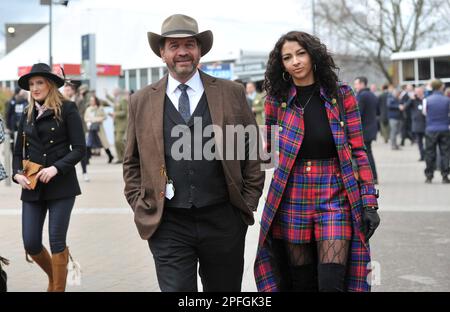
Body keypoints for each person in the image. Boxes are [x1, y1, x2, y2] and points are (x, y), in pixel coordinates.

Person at [123, 14, 265, 292]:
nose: (183, 52)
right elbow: (132, 162)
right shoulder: (141, 100)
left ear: (199, 50)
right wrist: (140, 203)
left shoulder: (231, 92)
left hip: (224, 220)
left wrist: (247, 203)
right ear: (162, 53)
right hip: (168, 224)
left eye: (189, 44)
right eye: (174, 46)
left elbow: (252, 152)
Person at [254, 31, 380, 292]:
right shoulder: (276, 102)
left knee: (331, 283)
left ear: (313, 56)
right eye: (287, 57)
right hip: (292, 195)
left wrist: (369, 202)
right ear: (282, 65)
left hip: (334, 194)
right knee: (302, 283)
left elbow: (359, 151)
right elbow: (269, 155)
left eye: (301, 53)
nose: (295, 61)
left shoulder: (341, 96)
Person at [12, 63, 86, 292]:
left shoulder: (68, 108)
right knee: (31, 242)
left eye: (39, 83)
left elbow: (80, 148)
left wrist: (56, 168)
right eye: (31, 84)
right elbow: (17, 152)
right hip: (32, 185)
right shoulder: (27, 113)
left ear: (50, 84)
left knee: (56, 241)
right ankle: (56, 277)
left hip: (61, 186)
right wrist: (16, 175)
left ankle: (57, 288)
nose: (34, 88)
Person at [423, 79, 450, 184]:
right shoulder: (447, 100)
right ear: (440, 87)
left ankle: (429, 176)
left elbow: (425, 113)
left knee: (430, 153)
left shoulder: (427, 100)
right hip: (444, 128)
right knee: (445, 153)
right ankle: (445, 176)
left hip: (431, 129)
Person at [354, 76, 379, 184]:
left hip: (364, 129)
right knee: (369, 152)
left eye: (356, 84)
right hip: (372, 128)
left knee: (366, 154)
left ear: (362, 84)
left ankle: (371, 176)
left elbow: (358, 113)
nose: (355, 86)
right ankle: (373, 176)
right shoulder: (372, 95)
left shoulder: (362, 96)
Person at [84, 95, 114, 164]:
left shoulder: (100, 108)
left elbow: (104, 117)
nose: (91, 102)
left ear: (95, 101)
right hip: (91, 128)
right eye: (90, 100)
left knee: (104, 143)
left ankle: (110, 156)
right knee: (89, 143)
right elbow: (85, 118)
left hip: (99, 129)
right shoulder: (88, 109)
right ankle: (87, 159)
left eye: (93, 100)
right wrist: (90, 120)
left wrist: (96, 119)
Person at [105, 87, 129, 164]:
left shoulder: (122, 100)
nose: (113, 93)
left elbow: (125, 112)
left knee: (119, 141)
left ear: (117, 92)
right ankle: (120, 158)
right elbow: (111, 100)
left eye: (114, 91)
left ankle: (128, 155)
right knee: (116, 142)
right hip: (116, 124)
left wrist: (115, 114)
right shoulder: (116, 99)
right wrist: (106, 94)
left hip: (122, 124)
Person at [405, 86, 426, 161]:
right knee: (419, 142)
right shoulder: (413, 100)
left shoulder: (425, 99)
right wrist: (411, 99)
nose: (418, 93)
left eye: (419, 91)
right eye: (416, 91)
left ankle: (427, 155)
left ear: (422, 92)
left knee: (427, 142)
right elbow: (405, 107)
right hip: (417, 124)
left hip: (426, 124)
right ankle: (422, 156)